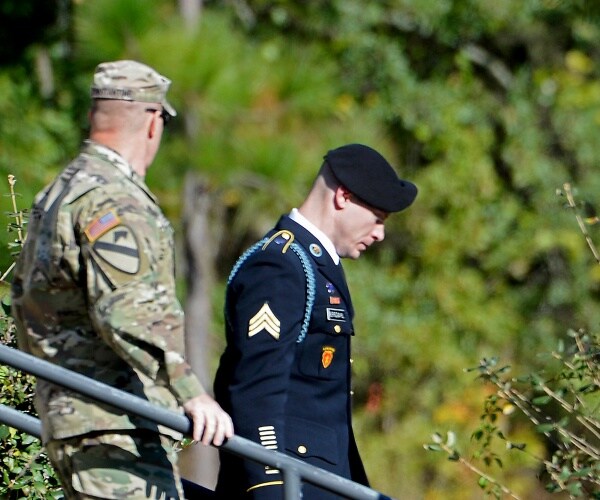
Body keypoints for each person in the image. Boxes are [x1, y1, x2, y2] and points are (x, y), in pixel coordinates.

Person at [11, 60, 233, 499]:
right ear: (153, 122)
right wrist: (191, 392)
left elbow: (26, 302)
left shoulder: (61, 191)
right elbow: (128, 311)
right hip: (115, 421)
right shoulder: (112, 196)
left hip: (78, 414)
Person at [213, 143, 418, 498]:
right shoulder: (280, 264)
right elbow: (256, 391)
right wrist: (270, 488)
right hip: (291, 484)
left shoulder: (314, 264)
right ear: (343, 197)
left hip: (322, 480)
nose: (380, 234)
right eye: (378, 218)